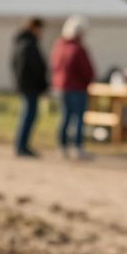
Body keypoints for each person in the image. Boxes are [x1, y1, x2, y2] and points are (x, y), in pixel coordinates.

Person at [51, 15, 95, 159]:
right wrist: (89, 79)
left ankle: (62, 146)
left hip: (61, 87)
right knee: (78, 119)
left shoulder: (59, 47)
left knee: (65, 117)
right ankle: (77, 147)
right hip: (76, 88)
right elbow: (86, 70)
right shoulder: (77, 49)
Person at [11, 17, 49, 157]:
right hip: (30, 87)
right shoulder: (28, 44)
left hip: (28, 86)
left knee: (28, 115)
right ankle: (21, 146)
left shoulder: (23, 42)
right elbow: (32, 68)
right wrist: (40, 84)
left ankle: (22, 145)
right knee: (28, 116)